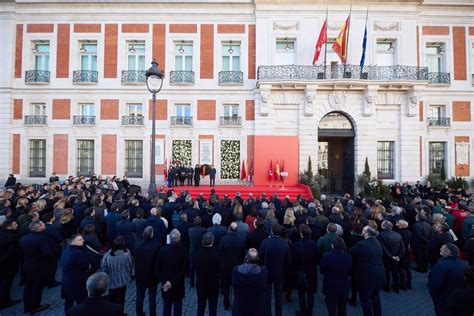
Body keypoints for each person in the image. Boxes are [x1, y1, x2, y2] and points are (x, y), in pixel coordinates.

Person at [348, 226, 385, 316]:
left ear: (366, 233)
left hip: (367, 276)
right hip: (379, 274)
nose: (362, 231)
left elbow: (349, 251)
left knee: (365, 300)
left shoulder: (361, 244)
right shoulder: (377, 242)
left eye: (363, 230)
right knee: (376, 298)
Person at [19, 220, 51, 314]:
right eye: (42, 224)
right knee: (37, 286)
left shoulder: (23, 238)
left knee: (28, 287)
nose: (44, 224)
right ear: (39, 228)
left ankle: (27, 306)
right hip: (38, 266)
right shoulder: (42, 238)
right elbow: (46, 253)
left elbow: (20, 253)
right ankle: (35, 306)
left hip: (27, 265)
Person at [259, 223, 291, 316]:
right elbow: (288, 261)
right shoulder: (285, 243)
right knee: (278, 295)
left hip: (267, 272)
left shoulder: (265, 242)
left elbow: (260, 258)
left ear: (272, 231)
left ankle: (268, 313)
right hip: (279, 273)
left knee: (267, 295)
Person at [428, 243, 468, 316]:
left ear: (448, 252)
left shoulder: (440, 265)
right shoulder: (465, 264)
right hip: (459, 297)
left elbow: (435, 284)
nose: (440, 249)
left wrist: (435, 296)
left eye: (442, 248)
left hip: (444, 299)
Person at [100, 236, 134, 315]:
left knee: (111, 299)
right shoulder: (126, 254)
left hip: (111, 281)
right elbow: (130, 265)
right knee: (121, 299)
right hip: (122, 280)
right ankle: (120, 313)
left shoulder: (108, 254)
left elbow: (103, 265)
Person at [157, 229, 187, 316]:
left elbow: (158, 269)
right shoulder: (184, 250)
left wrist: (165, 282)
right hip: (178, 284)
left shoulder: (162, 250)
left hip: (166, 285)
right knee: (177, 307)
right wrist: (172, 282)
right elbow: (184, 270)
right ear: (179, 238)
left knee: (166, 305)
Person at [132, 226, 161, 316]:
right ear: (152, 234)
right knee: (152, 298)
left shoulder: (136, 245)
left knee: (139, 296)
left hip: (140, 274)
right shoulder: (157, 246)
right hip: (152, 276)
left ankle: (139, 313)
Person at [320, 237, 353, 316]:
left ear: (332, 245)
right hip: (344, 286)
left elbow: (322, 270)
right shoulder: (348, 257)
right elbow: (350, 270)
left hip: (331, 286)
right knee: (342, 309)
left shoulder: (327, 256)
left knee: (332, 309)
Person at [232, 248, 268, 316]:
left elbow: (234, 284)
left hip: (240, 307)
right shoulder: (263, 272)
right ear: (258, 258)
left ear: (246, 257)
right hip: (257, 308)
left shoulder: (236, 270)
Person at [61, 234, 91, 313]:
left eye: (82, 239)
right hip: (77, 283)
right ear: (73, 242)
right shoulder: (78, 253)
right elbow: (86, 266)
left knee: (69, 302)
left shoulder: (67, 250)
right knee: (81, 302)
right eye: (80, 240)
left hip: (67, 281)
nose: (83, 240)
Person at [293, 224, 319, 316]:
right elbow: (317, 258)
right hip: (312, 271)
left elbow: (294, 260)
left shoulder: (297, 245)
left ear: (301, 233)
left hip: (301, 271)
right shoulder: (314, 244)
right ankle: (310, 312)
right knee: (311, 292)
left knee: (301, 292)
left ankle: (303, 311)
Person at [219, 222, 246, 310]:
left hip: (226, 266)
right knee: (237, 286)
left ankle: (226, 303)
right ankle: (237, 304)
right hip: (237, 266)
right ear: (237, 229)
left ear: (229, 229)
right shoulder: (241, 240)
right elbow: (243, 253)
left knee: (226, 285)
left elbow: (220, 252)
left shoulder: (223, 239)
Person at [193, 232, 220, 316]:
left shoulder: (197, 254)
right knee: (213, 309)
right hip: (213, 285)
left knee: (200, 307)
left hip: (201, 284)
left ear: (202, 241)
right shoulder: (216, 255)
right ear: (212, 241)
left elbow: (194, 267)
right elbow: (219, 270)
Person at [377, 220, 405, 293]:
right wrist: (399, 256)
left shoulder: (380, 235)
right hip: (396, 258)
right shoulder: (398, 235)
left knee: (386, 273)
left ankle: (387, 287)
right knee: (395, 272)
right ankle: (396, 287)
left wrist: (391, 256)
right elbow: (402, 247)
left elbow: (383, 248)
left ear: (383, 226)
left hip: (386, 258)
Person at [0, 219, 21, 310]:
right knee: (6, 283)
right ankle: (4, 301)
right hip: (8, 264)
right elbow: (11, 253)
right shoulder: (12, 237)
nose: (17, 225)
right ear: (9, 226)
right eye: (15, 224)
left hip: (3, 263)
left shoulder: (2, 233)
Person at [188, 216, 207, 287]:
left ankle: (191, 282)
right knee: (200, 268)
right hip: (200, 251)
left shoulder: (190, 230)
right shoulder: (204, 230)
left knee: (192, 267)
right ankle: (199, 282)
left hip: (192, 251)